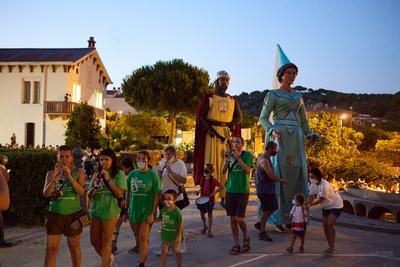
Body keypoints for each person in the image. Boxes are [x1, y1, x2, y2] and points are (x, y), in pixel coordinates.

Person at [259, 62, 319, 232]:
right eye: (289, 73)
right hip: (281, 136)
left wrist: (310, 134)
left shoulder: (299, 95)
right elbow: (263, 118)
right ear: (281, 75)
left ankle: (294, 216)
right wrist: (272, 129)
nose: (292, 76)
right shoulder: (273, 95)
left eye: (295, 73)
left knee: (297, 174)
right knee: (280, 174)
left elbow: (304, 121)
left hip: (297, 138)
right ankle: (278, 217)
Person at [194, 70, 242, 205]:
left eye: (226, 80)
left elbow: (238, 116)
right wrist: (208, 130)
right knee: (211, 163)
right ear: (216, 82)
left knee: (226, 163)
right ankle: (209, 195)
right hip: (212, 135)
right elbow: (201, 117)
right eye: (222, 80)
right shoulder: (209, 98)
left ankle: (225, 195)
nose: (224, 83)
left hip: (227, 135)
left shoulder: (233, 100)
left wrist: (233, 123)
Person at [42, 145, 86, 267]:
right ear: (57, 157)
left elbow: (82, 192)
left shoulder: (79, 172)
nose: (64, 159)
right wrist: (54, 180)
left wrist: (70, 178)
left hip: (73, 215)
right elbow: (46, 194)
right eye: (61, 156)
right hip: (55, 214)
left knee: (74, 247)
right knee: (51, 250)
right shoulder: (51, 173)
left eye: (67, 156)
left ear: (72, 157)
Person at [88, 148, 127, 267]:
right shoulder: (96, 174)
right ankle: (109, 259)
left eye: (106, 159)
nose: (103, 162)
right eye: (101, 160)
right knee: (94, 241)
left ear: (113, 160)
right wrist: (95, 185)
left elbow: (120, 193)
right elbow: (89, 194)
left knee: (106, 243)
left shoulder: (119, 174)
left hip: (110, 211)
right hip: (96, 211)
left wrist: (108, 179)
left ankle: (105, 264)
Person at [127, 150, 162, 267]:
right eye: (139, 159)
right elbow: (128, 193)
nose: (141, 161)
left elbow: (157, 195)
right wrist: (126, 209)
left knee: (142, 237)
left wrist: (153, 212)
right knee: (140, 237)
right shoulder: (132, 174)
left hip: (146, 211)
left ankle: (142, 263)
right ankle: (144, 253)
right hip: (134, 211)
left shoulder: (153, 175)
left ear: (148, 160)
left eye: (143, 159)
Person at [222, 136, 254, 255]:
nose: (235, 143)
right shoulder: (229, 155)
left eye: (238, 142)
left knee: (239, 218)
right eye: (234, 142)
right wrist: (226, 160)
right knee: (232, 219)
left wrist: (237, 157)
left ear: (242, 144)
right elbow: (223, 171)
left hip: (242, 190)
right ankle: (236, 244)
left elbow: (247, 170)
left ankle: (246, 236)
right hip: (230, 190)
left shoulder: (247, 155)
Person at [254, 141, 288, 241]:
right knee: (267, 210)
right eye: (275, 149)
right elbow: (271, 176)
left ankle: (260, 224)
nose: (276, 151)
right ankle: (262, 232)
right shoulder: (264, 160)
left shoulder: (266, 159)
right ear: (270, 149)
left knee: (273, 207)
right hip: (265, 190)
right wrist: (282, 180)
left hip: (267, 190)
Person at [307, 168, 343, 255]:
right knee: (324, 226)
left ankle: (332, 247)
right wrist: (305, 204)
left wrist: (308, 206)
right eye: (309, 176)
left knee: (330, 224)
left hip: (335, 205)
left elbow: (321, 200)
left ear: (318, 176)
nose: (310, 178)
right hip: (326, 207)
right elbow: (311, 197)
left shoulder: (325, 185)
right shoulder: (313, 184)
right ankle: (330, 245)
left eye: (312, 176)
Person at [111, 157, 138, 254]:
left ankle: (139, 244)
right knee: (117, 224)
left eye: (126, 168)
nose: (124, 170)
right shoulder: (125, 175)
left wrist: (126, 208)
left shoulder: (131, 176)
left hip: (128, 204)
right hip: (122, 204)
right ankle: (113, 245)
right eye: (123, 168)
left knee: (133, 225)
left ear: (131, 167)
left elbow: (127, 193)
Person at [156, 189, 183, 267]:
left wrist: (178, 236)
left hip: (174, 238)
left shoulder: (177, 212)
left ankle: (179, 265)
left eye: (169, 199)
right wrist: (152, 220)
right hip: (165, 237)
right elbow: (160, 218)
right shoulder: (163, 210)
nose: (166, 201)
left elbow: (180, 225)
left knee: (177, 252)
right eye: (164, 199)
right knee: (163, 253)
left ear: (174, 200)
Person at [197, 163, 224, 238]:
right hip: (202, 199)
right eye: (205, 168)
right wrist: (198, 191)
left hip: (210, 200)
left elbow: (221, 187)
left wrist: (214, 193)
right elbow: (201, 187)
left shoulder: (213, 180)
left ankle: (209, 230)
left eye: (207, 169)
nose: (205, 170)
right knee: (202, 214)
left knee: (209, 214)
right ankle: (205, 226)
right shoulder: (202, 178)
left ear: (211, 171)